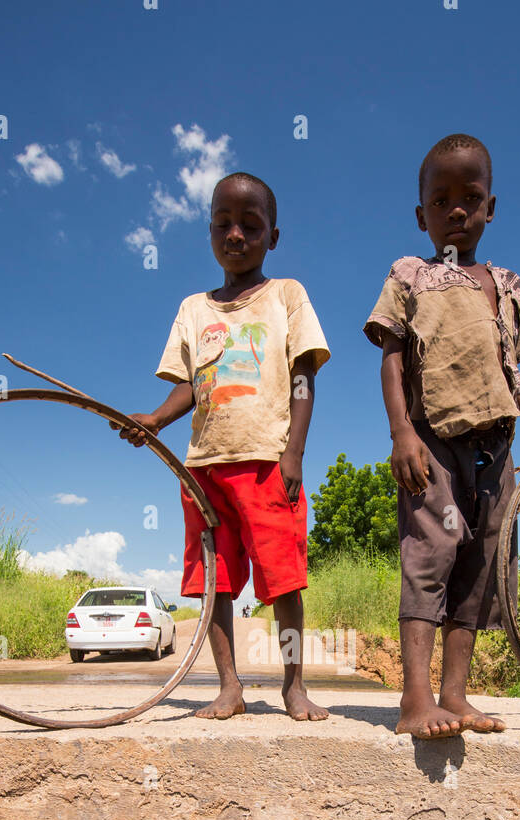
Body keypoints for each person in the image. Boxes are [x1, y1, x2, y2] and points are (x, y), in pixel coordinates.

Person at [364, 133, 520, 738]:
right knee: (431, 555)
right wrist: (401, 434)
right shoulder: (410, 274)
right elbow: (390, 358)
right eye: (441, 201)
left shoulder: (507, 284)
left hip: (498, 450)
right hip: (432, 443)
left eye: (471, 197)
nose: (456, 210)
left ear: (492, 208)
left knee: (483, 564)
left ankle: (455, 695)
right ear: (421, 216)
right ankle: (415, 698)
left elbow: (510, 379)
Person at [117, 171, 330, 720]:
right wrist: (156, 421)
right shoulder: (194, 308)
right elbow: (188, 385)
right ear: (210, 232)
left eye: (250, 225)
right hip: (203, 470)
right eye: (223, 224)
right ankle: (229, 685)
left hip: (267, 464)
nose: (235, 234)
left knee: (283, 581)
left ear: (273, 237)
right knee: (217, 584)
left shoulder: (287, 295)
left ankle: (293, 685)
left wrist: (294, 454)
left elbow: (304, 377)